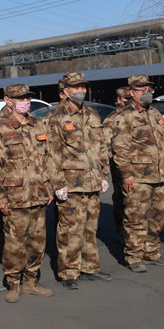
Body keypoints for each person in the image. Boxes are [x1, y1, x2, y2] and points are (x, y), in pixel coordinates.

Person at [0, 84, 54, 303]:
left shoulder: (37, 124)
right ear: (8, 100)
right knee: (15, 243)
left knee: (37, 242)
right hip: (15, 196)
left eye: (27, 98)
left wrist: (49, 187)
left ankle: (31, 282)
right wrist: (1, 198)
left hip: (38, 193)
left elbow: (47, 159)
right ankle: (14, 283)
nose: (26, 102)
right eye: (21, 98)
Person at [44, 72, 111, 290]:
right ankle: (69, 272)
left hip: (92, 182)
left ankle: (90, 268)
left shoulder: (92, 115)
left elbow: (102, 147)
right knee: (70, 230)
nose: (81, 91)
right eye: (76, 87)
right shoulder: (55, 118)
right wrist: (57, 183)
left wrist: (104, 175)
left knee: (90, 229)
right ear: (65, 91)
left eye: (83, 87)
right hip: (71, 184)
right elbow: (51, 154)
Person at [111, 75, 164, 273]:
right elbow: (120, 148)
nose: (147, 93)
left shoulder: (154, 113)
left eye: (149, 90)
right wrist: (126, 174)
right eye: (141, 90)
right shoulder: (125, 116)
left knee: (157, 217)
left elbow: (163, 143)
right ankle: (134, 256)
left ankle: (151, 252)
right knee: (136, 218)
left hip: (158, 176)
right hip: (138, 178)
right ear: (132, 93)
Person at [103, 86, 131, 242]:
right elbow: (107, 144)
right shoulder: (112, 119)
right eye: (126, 99)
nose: (129, 102)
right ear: (119, 100)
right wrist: (114, 162)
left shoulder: (135, 115)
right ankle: (121, 228)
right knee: (121, 196)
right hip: (119, 164)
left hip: (137, 165)